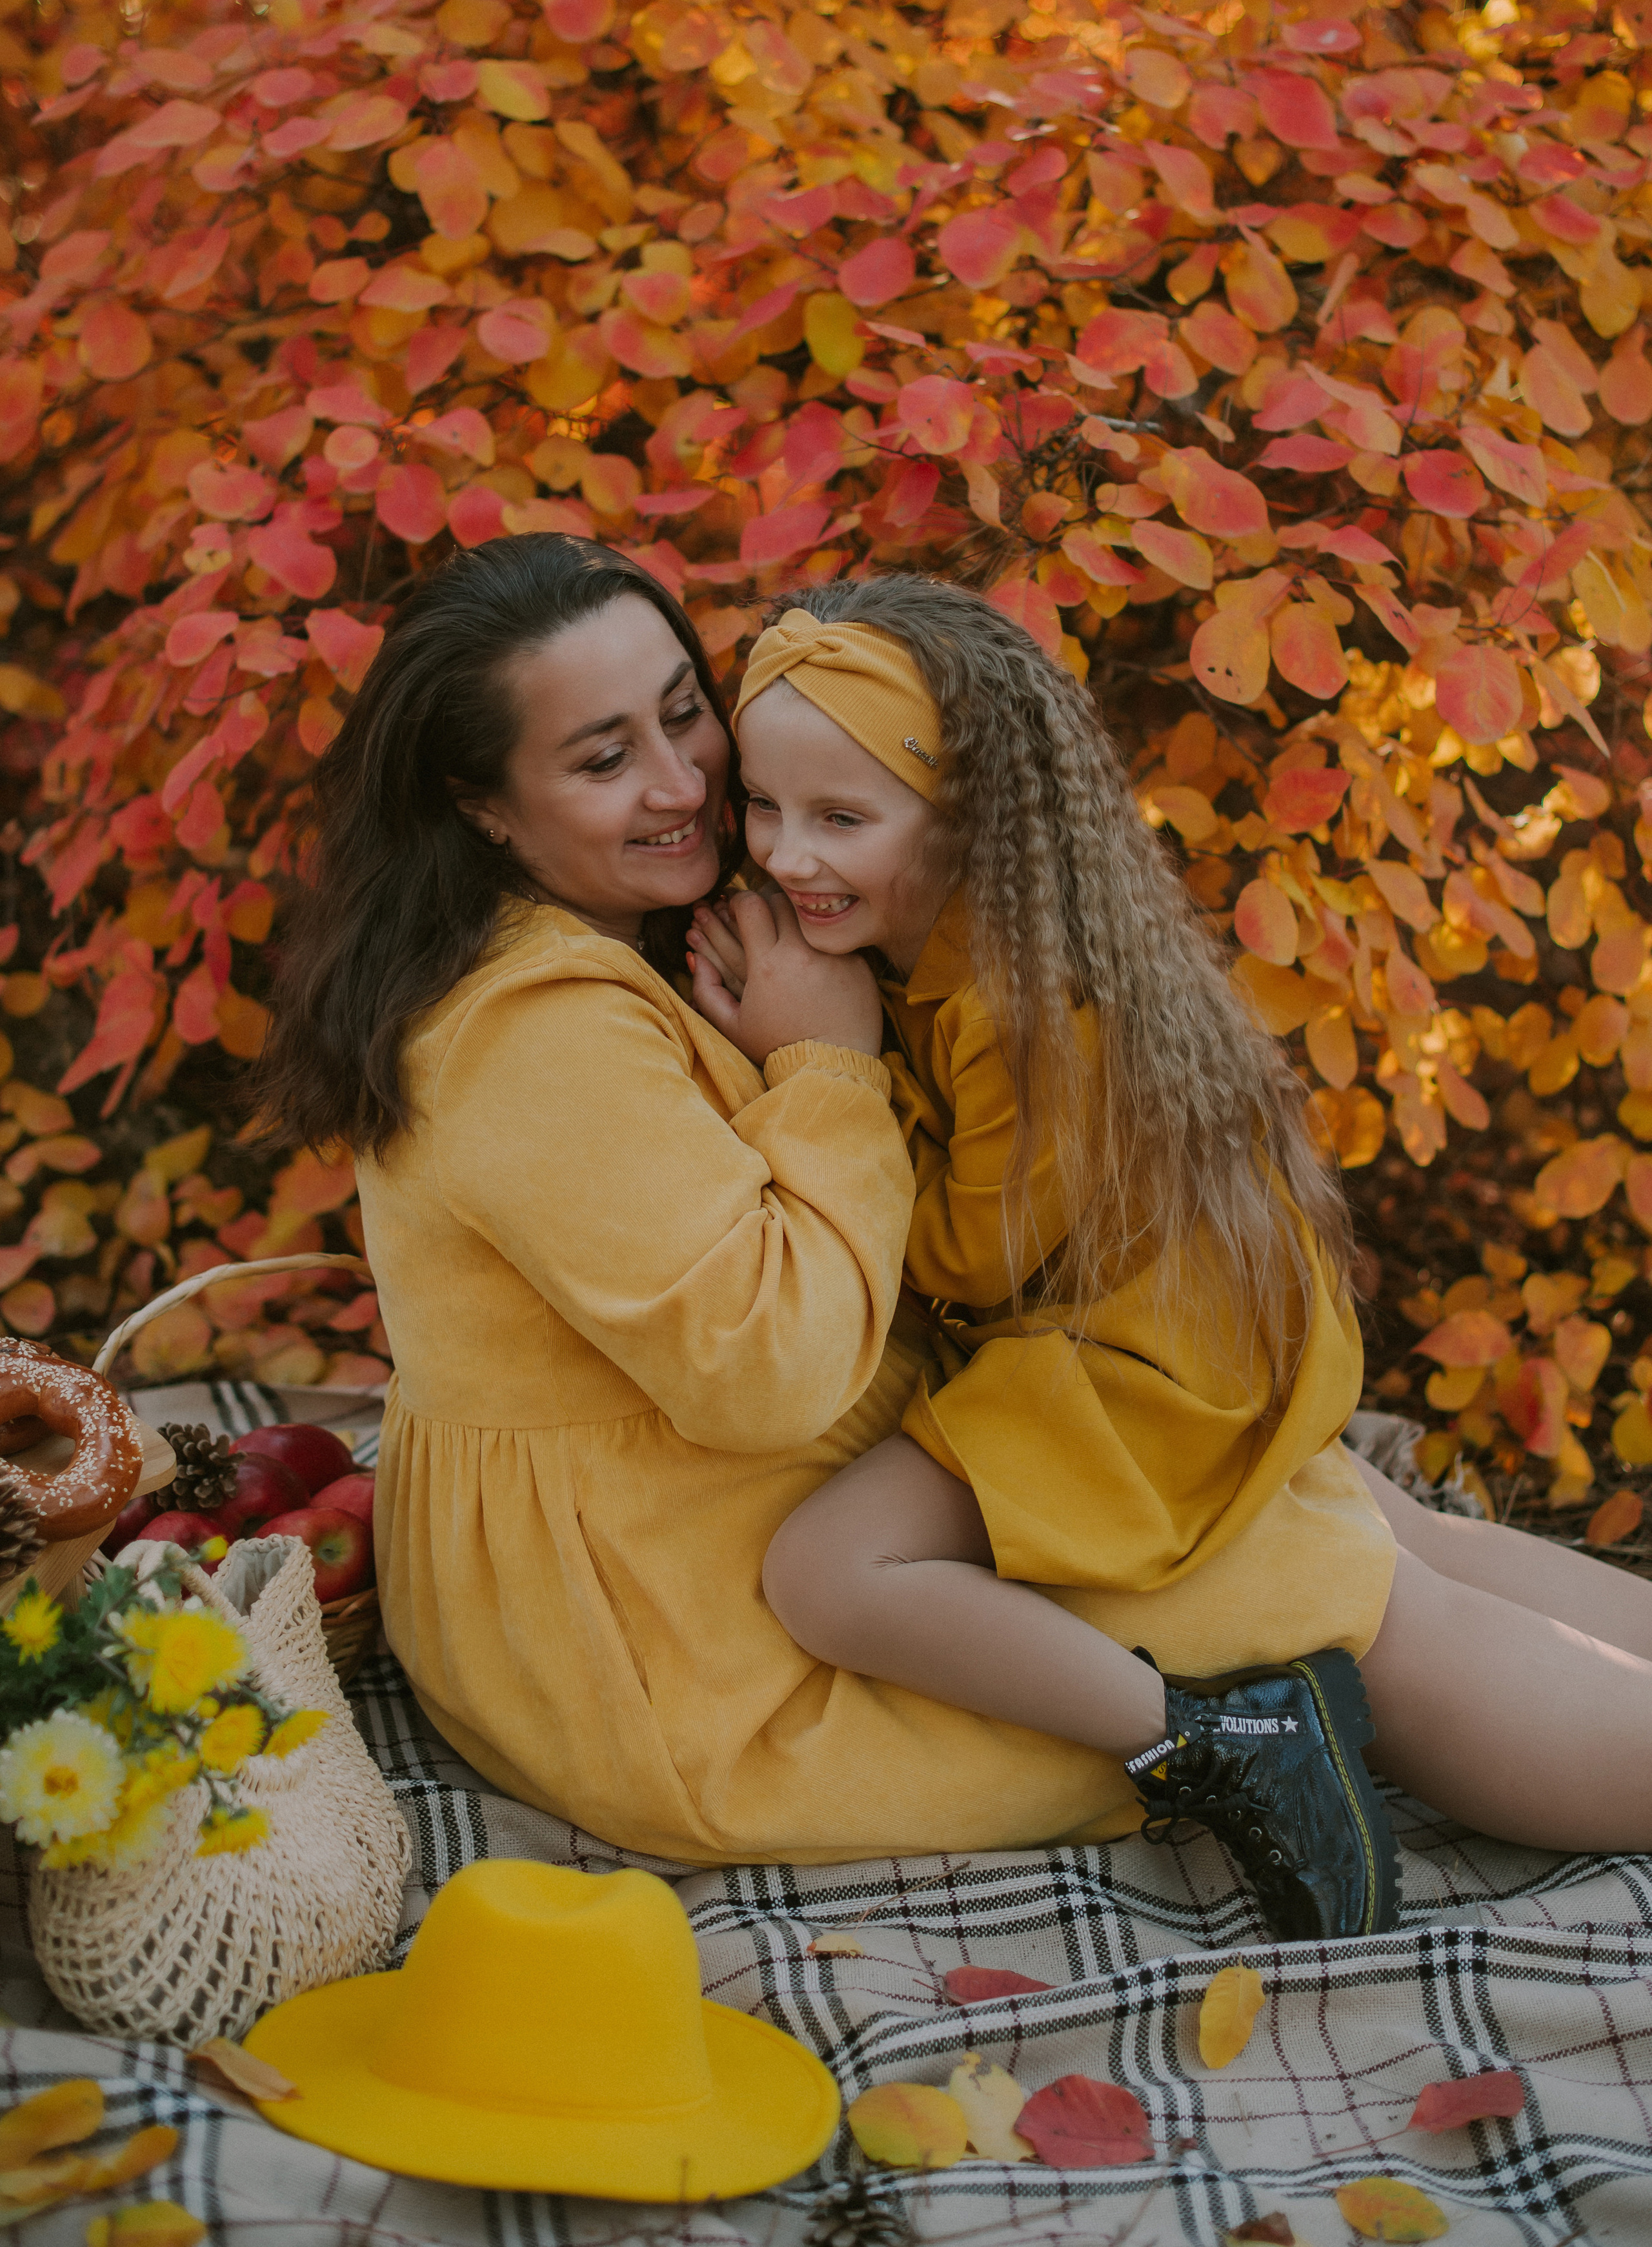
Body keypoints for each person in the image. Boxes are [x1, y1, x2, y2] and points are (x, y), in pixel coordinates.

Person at [687, 578, 1652, 1933]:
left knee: (830, 1571)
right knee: (1403, 1534)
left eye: (840, 818)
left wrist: (824, 1055)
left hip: (1130, 1363)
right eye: (762, 808)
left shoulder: (1022, 1002)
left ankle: (1217, 1742)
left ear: (970, 818)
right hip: (1186, 1319)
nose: (785, 856)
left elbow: (968, 1258)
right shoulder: (974, 934)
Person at [256, 534, 1236, 1867]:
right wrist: (825, 1059)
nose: (681, 784)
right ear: (480, 802)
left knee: (1311, 1514)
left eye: (681, 714)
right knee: (1314, 1588)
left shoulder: (602, 923)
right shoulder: (526, 1029)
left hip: (694, 1529)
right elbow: (768, 1366)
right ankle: (1262, 1745)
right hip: (681, 1647)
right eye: (602, 760)